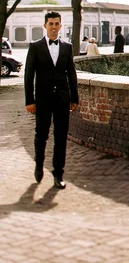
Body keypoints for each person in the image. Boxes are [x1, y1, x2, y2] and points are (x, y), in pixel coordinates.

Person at [25, 11, 79, 189]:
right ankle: (39, 165)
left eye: (57, 24)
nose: (54, 27)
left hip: (62, 98)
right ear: (45, 26)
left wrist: (74, 98)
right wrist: (29, 101)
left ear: (60, 26)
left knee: (61, 137)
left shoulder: (67, 47)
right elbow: (28, 76)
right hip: (42, 99)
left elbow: (71, 73)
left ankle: (58, 173)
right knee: (41, 135)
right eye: (51, 24)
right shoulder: (35, 46)